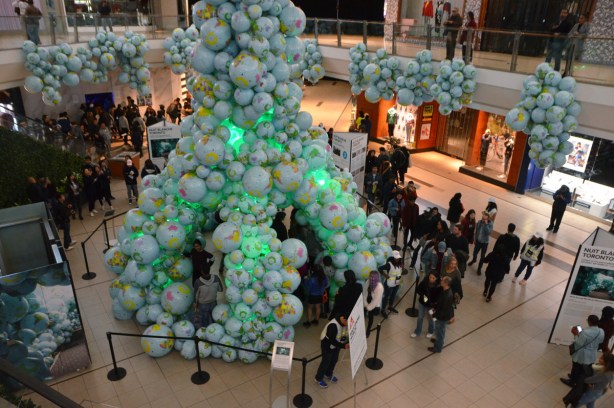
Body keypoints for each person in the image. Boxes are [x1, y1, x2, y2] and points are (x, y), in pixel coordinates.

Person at [561, 315, 605, 389]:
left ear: (589, 322)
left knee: (576, 367)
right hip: (592, 353)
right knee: (582, 368)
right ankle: (576, 378)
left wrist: (575, 334)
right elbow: (601, 341)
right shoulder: (601, 331)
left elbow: (579, 343)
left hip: (582, 354)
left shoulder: (585, 332)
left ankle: (572, 381)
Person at [314, 313, 349, 388]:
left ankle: (328, 374)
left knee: (334, 359)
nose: (348, 325)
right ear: (343, 319)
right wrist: (344, 346)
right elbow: (332, 341)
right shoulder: (333, 326)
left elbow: (345, 335)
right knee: (326, 361)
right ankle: (318, 378)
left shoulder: (345, 323)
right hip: (327, 345)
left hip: (338, 344)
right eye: (348, 323)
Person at [428, 276, 456, 353]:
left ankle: (437, 348)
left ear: (446, 283)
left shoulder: (447, 296)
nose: (440, 281)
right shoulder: (446, 290)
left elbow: (442, 310)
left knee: (440, 332)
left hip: (442, 317)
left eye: (442, 280)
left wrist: (433, 315)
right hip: (442, 315)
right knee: (440, 331)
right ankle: (438, 341)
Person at [411, 272, 440, 339]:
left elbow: (438, 297)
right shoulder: (424, 282)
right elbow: (418, 289)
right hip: (422, 303)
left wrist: (434, 305)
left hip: (431, 306)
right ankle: (417, 332)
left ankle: (431, 331)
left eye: (433, 278)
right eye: (430, 277)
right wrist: (423, 296)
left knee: (431, 319)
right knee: (420, 317)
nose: (431, 279)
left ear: (436, 278)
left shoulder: (438, 286)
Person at [468, 211, 493, 275]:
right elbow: (476, 231)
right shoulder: (479, 222)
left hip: (485, 243)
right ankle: (474, 260)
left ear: (488, 217)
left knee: (482, 256)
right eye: (483, 215)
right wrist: (475, 239)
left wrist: (486, 224)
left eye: (485, 216)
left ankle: (479, 268)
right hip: (478, 241)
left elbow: (488, 233)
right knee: (474, 252)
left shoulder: (490, 224)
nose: (483, 216)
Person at [380, 250, 403, 317]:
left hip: (397, 284)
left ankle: (390, 306)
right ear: (393, 257)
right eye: (396, 258)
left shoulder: (400, 264)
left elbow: (400, 272)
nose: (397, 259)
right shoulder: (388, 264)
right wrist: (385, 275)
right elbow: (380, 268)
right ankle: (383, 310)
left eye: (398, 258)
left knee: (393, 295)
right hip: (389, 284)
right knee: (386, 297)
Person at [364, 270, 384, 337]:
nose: (369, 277)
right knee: (364, 314)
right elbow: (364, 293)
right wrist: (365, 303)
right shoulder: (368, 282)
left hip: (374, 305)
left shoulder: (379, 287)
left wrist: (368, 307)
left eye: (370, 276)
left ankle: (368, 330)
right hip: (368, 301)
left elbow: (375, 301)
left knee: (370, 317)